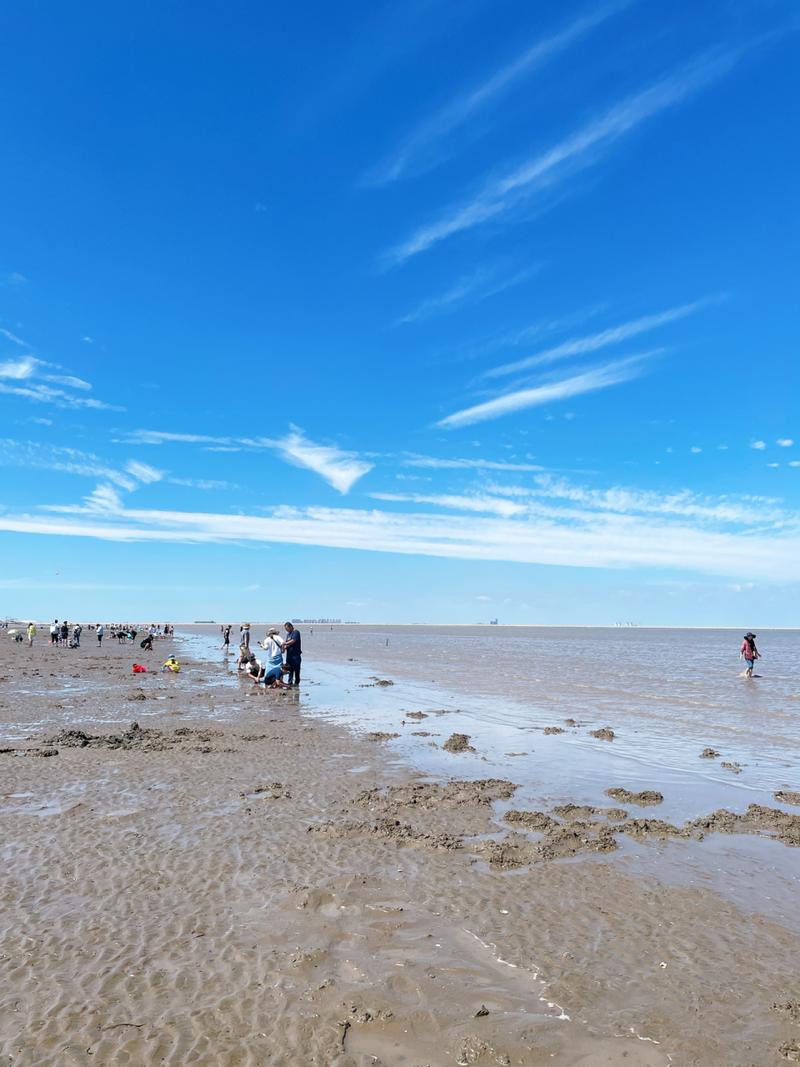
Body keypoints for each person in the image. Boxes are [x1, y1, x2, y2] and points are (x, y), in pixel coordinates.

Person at [283, 622, 302, 686]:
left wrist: (285, 643)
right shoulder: (288, 634)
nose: (286, 630)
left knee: (297, 670)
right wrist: (285, 646)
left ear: (291, 627)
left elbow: (293, 641)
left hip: (296, 656)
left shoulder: (296, 632)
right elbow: (287, 643)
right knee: (290, 670)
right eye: (285, 629)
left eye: (287, 629)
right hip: (289, 656)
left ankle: (297, 683)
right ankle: (289, 683)